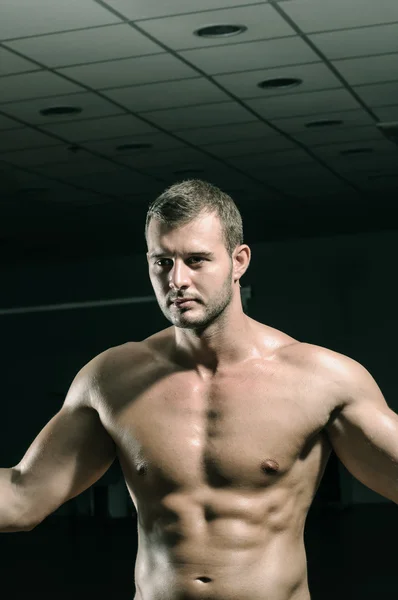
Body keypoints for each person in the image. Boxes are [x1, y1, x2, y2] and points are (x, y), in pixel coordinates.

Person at [1, 179, 397, 600]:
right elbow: (22, 499)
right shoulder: (111, 380)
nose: (177, 280)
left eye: (196, 260)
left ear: (238, 261)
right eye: (162, 262)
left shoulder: (322, 379)